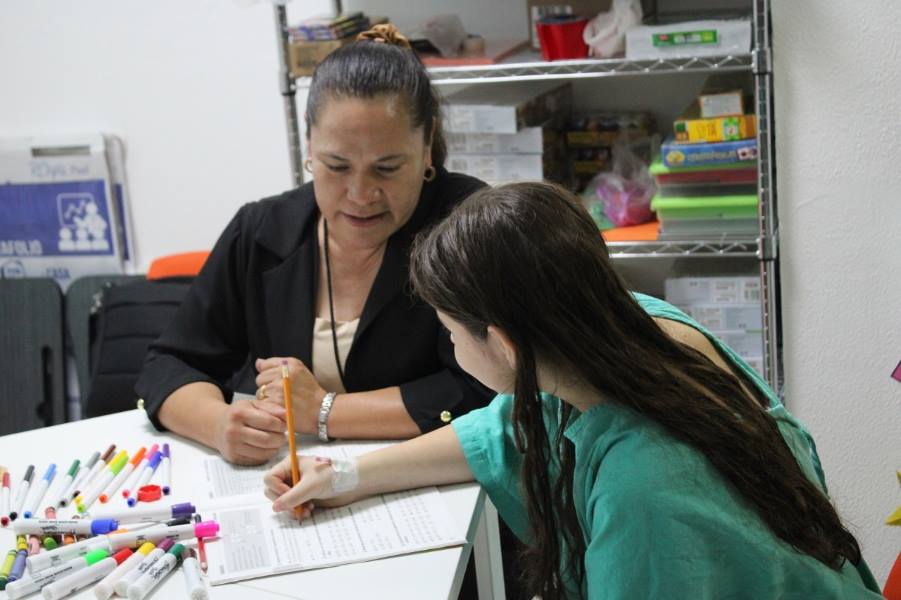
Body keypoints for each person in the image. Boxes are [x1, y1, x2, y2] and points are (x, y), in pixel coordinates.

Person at [264, 182, 883, 599]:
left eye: (452, 333)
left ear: (502, 344)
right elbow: (498, 431)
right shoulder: (633, 328)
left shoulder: (643, 494)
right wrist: (346, 477)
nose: (451, 348)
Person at [135, 25, 493, 466]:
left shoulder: (467, 222)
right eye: (336, 166)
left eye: (387, 168)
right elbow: (169, 364)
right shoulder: (262, 230)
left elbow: (486, 388)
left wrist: (324, 412)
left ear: (426, 149)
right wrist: (218, 424)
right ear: (310, 145)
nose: (360, 194)